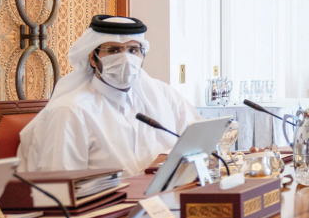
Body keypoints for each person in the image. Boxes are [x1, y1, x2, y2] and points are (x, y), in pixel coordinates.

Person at [18, 15, 201, 176]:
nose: (125, 59)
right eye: (113, 50)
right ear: (93, 58)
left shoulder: (164, 95)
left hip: (163, 199)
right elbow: (60, 186)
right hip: (102, 204)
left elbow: (200, 141)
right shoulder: (70, 111)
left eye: (133, 50)